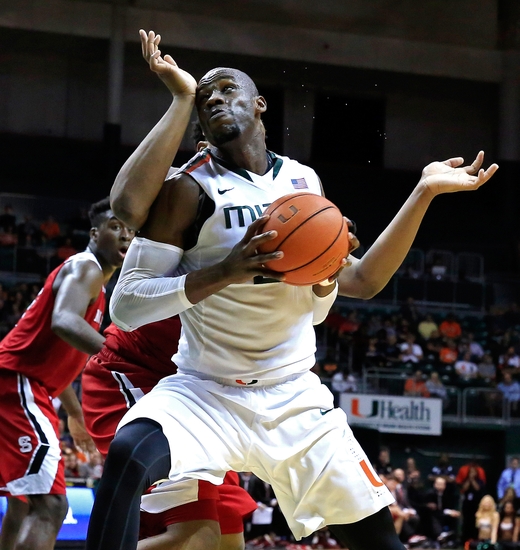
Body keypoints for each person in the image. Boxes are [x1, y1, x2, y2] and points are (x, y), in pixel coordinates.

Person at [85, 29, 498, 550]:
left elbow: (362, 280)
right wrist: (226, 271)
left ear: (259, 105)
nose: (214, 97)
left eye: (227, 88)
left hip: (296, 399)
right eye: (205, 95)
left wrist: (422, 192)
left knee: (381, 544)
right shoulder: (187, 188)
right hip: (204, 391)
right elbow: (124, 308)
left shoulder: (304, 181)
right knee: (128, 456)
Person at [0, 197, 134, 550]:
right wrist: (119, 359)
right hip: (16, 382)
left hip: (23, 384)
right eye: (115, 227)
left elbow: (61, 358)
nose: (125, 236)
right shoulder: (85, 269)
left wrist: (76, 415)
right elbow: (64, 321)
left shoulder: (98, 288)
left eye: (132, 231)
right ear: (94, 233)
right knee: (52, 504)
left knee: (23, 501)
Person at [81, 316, 257, 550]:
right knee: (197, 536)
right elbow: (64, 321)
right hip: (140, 373)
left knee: (229, 540)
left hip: (198, 395)